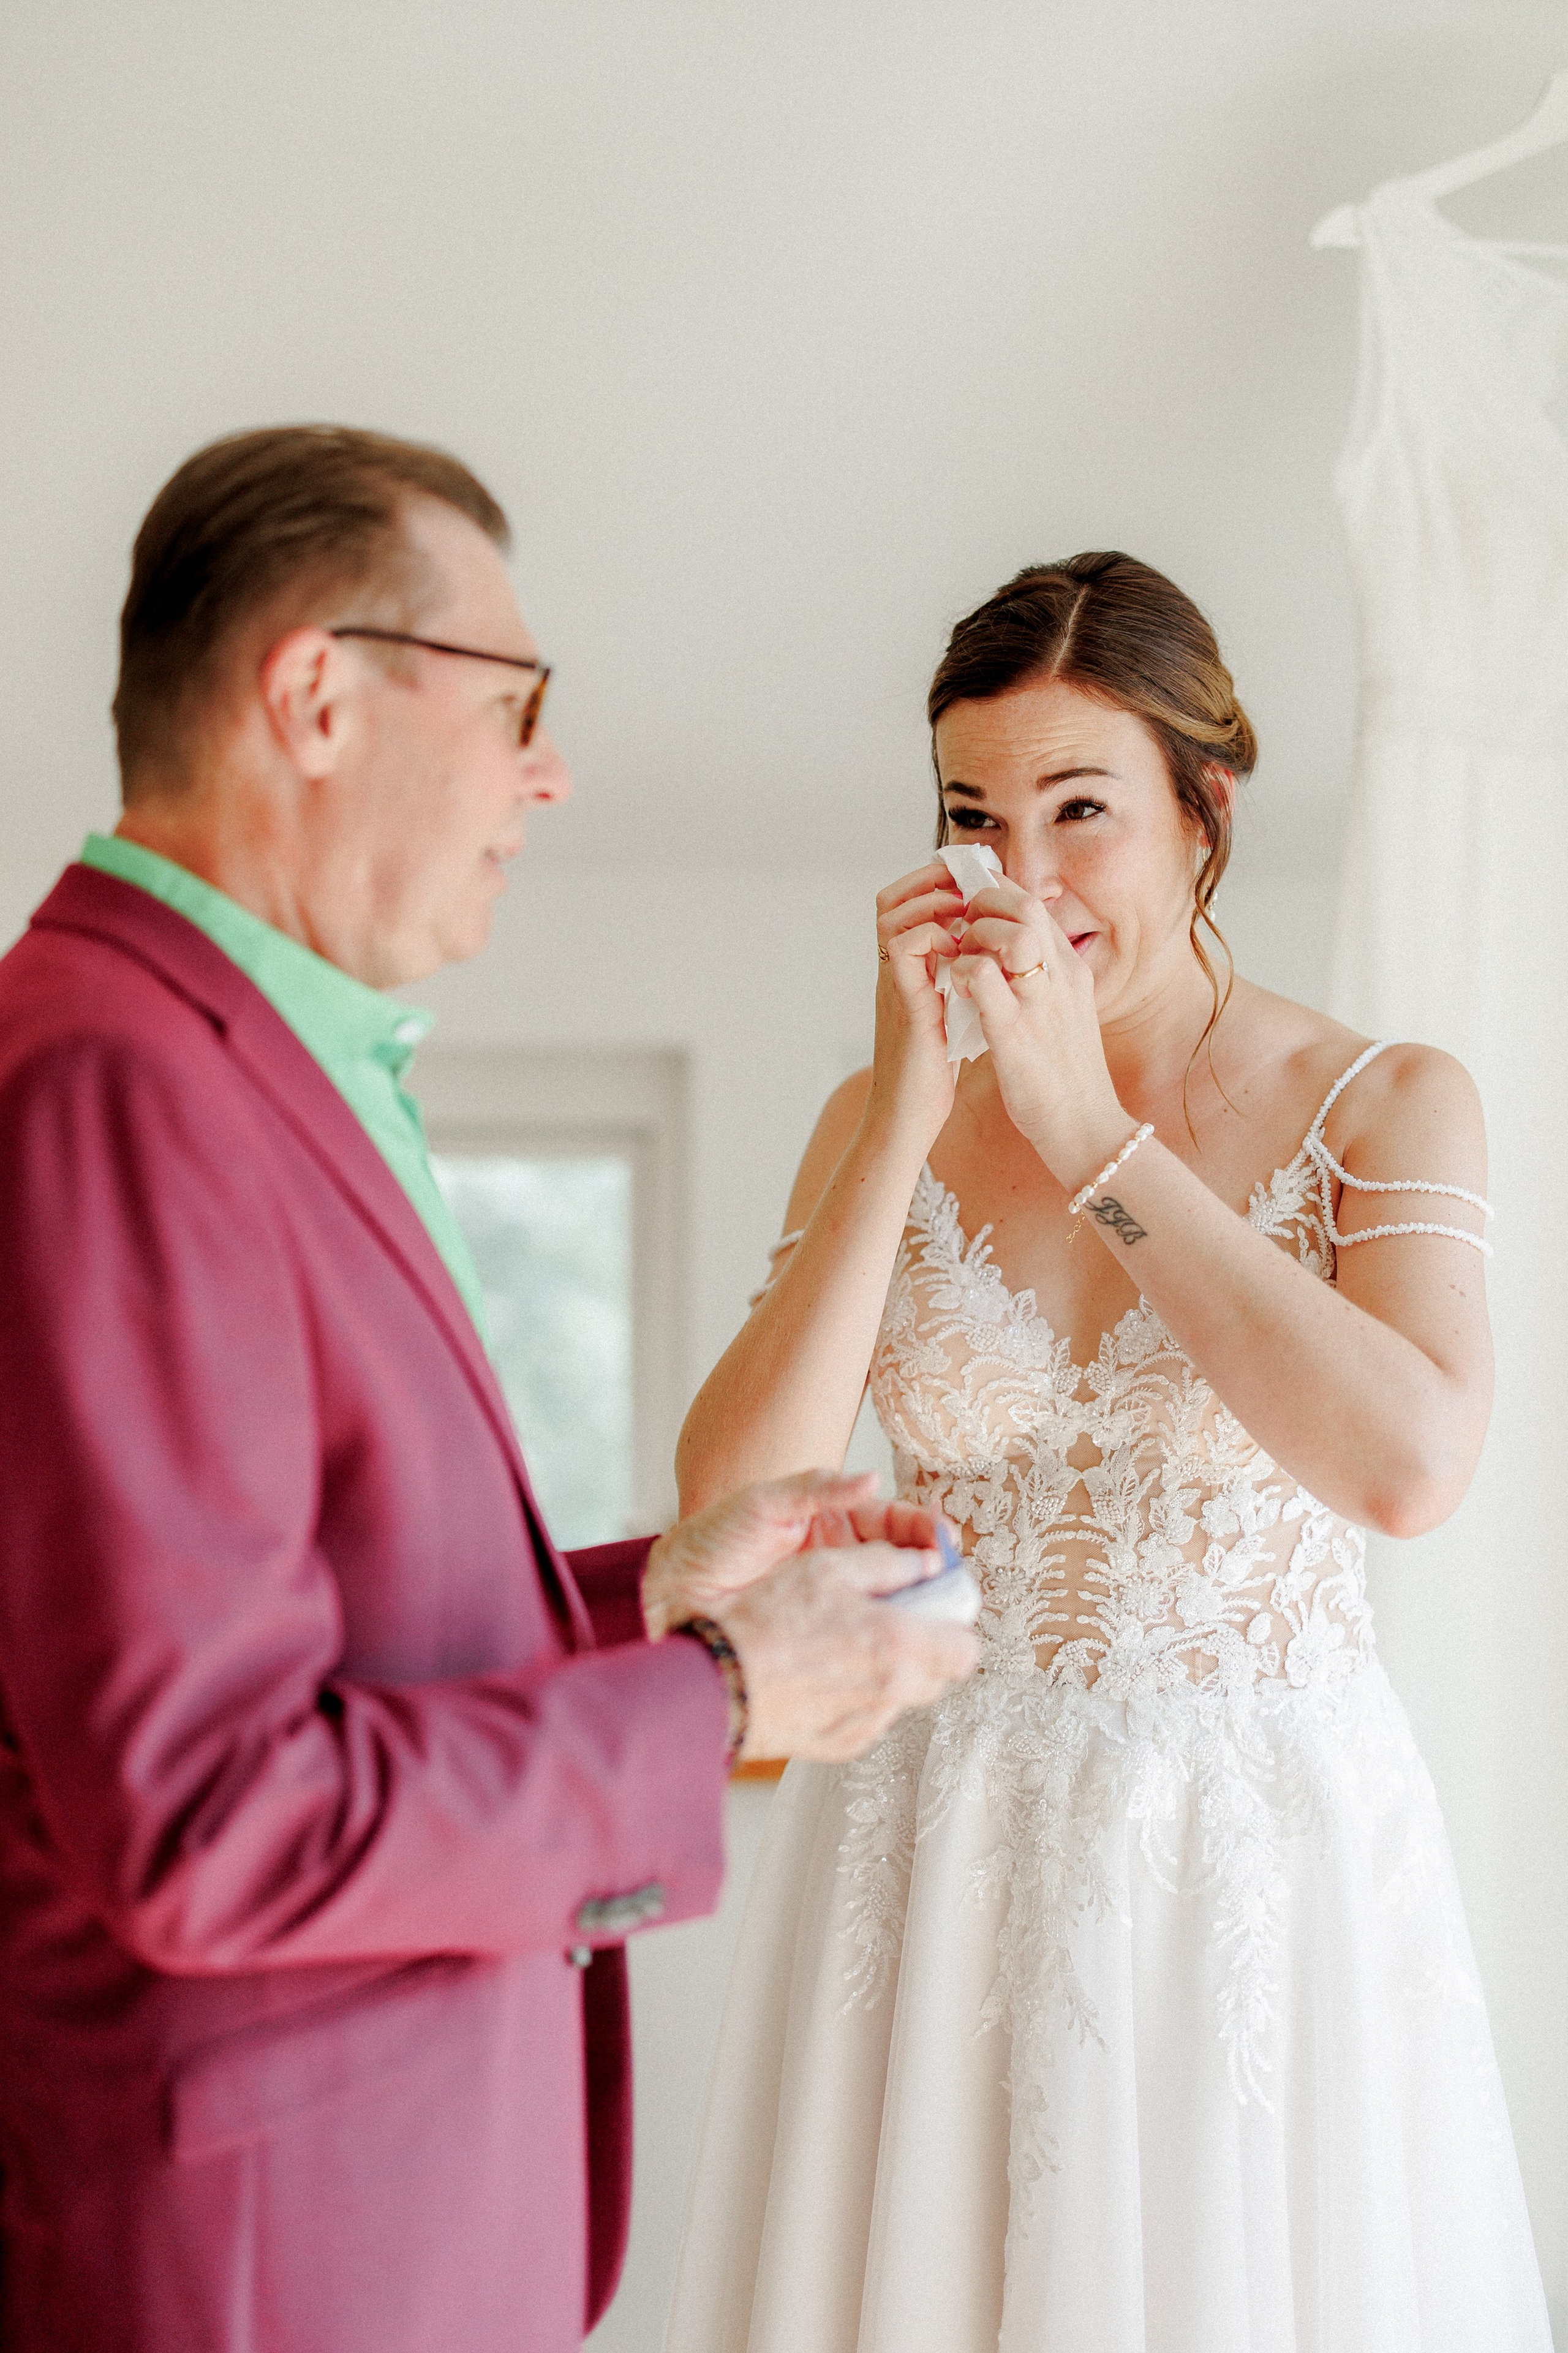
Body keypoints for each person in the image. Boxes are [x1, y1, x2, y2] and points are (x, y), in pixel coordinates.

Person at [0, 425, 979, 2353]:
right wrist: (726, 1695)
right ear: (315, 696)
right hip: (267, 2272)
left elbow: (331, 1643)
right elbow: (211, 1810)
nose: (551, 772)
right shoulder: (115, 1080)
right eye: (515, 702)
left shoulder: (245, 1063)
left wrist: (665, 1597)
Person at [666, 554, 1553, 2352]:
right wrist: (905, 1116)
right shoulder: (882, 1114)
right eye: (973, 816)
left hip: (1246, 1864)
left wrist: (1093, 1140)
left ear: (1203, 807)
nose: (1026, 874)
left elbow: (1409, 1470)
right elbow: (731, 1502)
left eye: (1083, 810)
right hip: (928, 1844)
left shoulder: (1386, 1100)